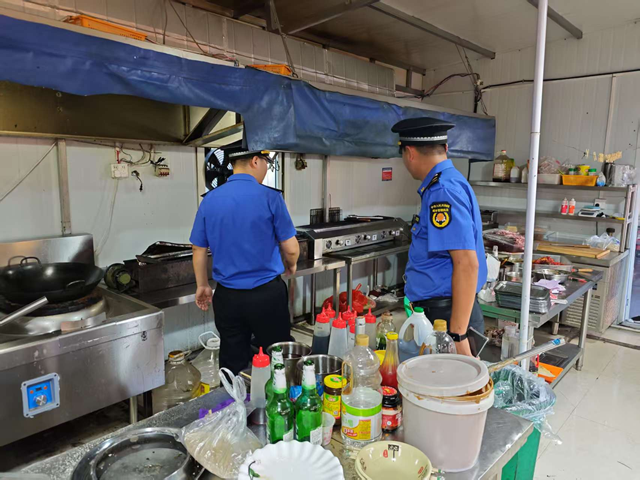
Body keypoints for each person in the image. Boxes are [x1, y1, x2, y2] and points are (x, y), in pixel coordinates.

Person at [190, 141, 300, 374]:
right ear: (255, 160)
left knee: (232, 361)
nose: (266, 169)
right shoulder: (270, 197)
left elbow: (198, 249)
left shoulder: (210, 200)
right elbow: (291, 248)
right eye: (267, 163)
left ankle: (233, 397)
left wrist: (202, 285)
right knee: (276, 358)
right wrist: (291, 266)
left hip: (227, 298)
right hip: (267, 296)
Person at [391, 117, 487, 356]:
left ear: (409, 153)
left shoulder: (442, 191)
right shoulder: (451, 181)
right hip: (446, 312)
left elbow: (466, 263)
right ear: (445, 148)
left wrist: (457, 335)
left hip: (446, 317)